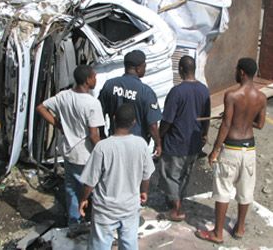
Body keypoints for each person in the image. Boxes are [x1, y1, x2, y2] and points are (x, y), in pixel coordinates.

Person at [195, 58, 267, 244]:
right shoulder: (261, 97)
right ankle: (240, 228)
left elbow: (226, 124)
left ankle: (218, 233)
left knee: (223, 190)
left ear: (242, 72)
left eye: (236, 70)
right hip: (249, 148)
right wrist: (243, 119)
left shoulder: (232, 95)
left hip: (232, 148)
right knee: (245, 191)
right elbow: (259, 124)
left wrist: (215, 150)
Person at [36, 65, 105, 236]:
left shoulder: (63, 96)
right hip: (86, 154)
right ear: (88, 80)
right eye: (94, 77)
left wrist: (58, 124)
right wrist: (105, 151)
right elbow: (94, 135)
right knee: (93, 188)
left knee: (71, 188)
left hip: (68, 151)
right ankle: (96, 223)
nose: (96, 79)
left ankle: (74, 224)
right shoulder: (92, 103)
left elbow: (41, 108)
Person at [79, 103, 155, 249]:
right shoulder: (141, 144)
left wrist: (83, 198)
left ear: (113, 119)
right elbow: (146, 175)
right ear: (134, 122)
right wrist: (144, 191)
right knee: (129, 244)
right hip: (130, 208)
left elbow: (90, 181)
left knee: (100, 245)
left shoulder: (103, 147)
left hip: (105, 210)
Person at [159, 55, 210, 221]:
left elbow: (167, 120)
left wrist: (160, 137)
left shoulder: (177, 92)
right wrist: (204, 134)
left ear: (181, 70)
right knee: (184, 174)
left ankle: (176, 210)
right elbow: (206, 117)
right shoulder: (204, 90)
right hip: (193, 143)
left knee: (171, 175)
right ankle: (177, 201)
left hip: (176, 143)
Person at [98, 50, 162, 156]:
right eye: (144, 66)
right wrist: (158, 144)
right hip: (136, 148)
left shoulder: (109, 85)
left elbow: (99, 113)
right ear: (138, 68)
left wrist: (101, 134)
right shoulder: (146, 92)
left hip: (114, 143)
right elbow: (153, 125)